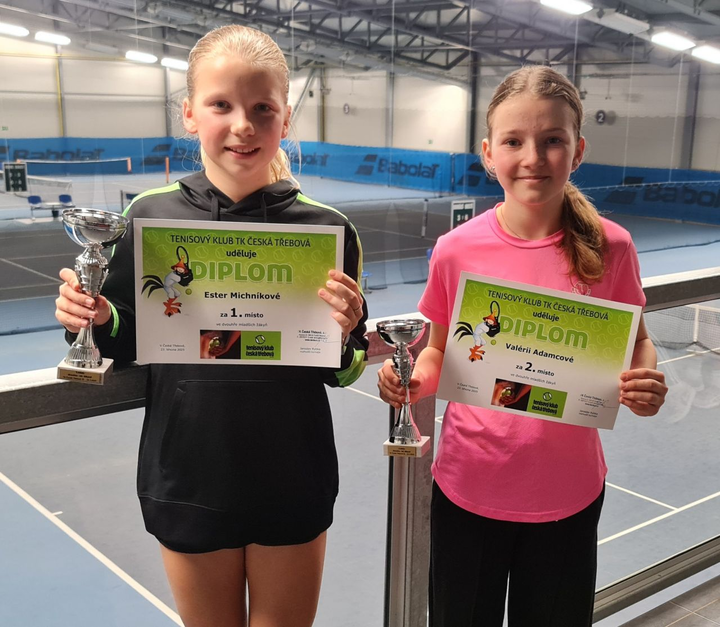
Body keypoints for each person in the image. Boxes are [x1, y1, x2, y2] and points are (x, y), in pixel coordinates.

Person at [55, 25, 368, 627]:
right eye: (221, 104)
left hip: (292, 476)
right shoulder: (147, 216)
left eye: (262, 108)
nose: (243, 125)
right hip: (188, 474)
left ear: (285, 118)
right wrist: (91, 318)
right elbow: (124, 337)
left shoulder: (328, 230)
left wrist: (343, 332)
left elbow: (345, 368)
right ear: (190, 114)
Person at [377, 65, 667, 627]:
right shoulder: (456, 249)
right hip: (468, 488)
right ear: (489, 153)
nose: (533, 157)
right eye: (513, 141)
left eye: (552, 140)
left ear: (578, 151)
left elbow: (639, 343)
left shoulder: (613, 247)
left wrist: (645, 383)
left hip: (568, 495)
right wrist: (411, 381)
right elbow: (436, 351)